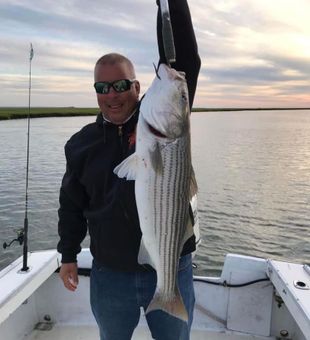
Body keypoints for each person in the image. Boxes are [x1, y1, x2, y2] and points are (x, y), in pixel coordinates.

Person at [57, 0, 200, 339]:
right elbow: (71, 206)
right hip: (110, 274)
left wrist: (170, 4)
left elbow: (185, 61)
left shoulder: (163, 120)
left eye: (121, 85)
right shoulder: (80, 145)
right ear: (95, 93)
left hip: (169, 265)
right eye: (102, 88)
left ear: (138, 88)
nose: (113, 95)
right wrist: (68, 255)